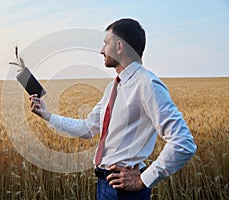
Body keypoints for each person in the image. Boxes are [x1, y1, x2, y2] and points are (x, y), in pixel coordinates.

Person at [29, 18, 197, 200]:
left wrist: (143, 180)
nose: (101, 50)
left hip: (126, 191)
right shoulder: (113, 88)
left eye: (105, 44)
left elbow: (183, 143)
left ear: (119, 46)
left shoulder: (147, 84)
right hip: (105, 185)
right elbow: (87, 128)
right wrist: (47, 116)